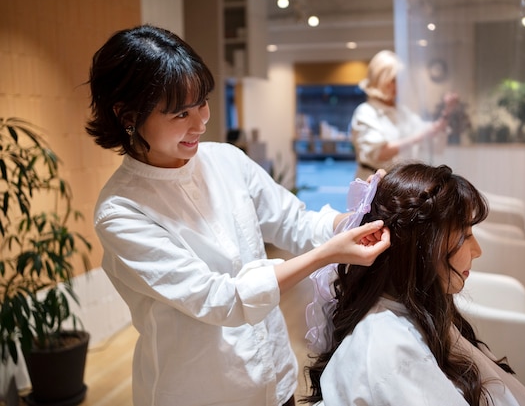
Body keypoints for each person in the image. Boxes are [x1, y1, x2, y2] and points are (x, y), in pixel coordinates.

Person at [85, 24, 390, 406]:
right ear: (127, 115)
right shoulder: (121, 211)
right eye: (181, 113)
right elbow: (221, 299)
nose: (201, 123)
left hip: (274, 375)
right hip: (201, 391)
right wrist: (329, 254)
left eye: (202, 103)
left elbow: (295, 221)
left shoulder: (225, 160)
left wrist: (365, 213)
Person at [303, 162, 525, 406]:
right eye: (465, 236)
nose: (478, 251)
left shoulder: (419, 312)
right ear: (421, 248)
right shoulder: (394, 352)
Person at [350, 50, 459, 180]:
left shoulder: (402, 112)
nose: (397, 85)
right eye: (393, 80)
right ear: (381, 80)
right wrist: (417, 138)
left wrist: (447, 111)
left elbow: (430, 131)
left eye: (399, 80)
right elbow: (379, 153)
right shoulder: (365, 112)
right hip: (372, 183)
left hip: (398, 183)